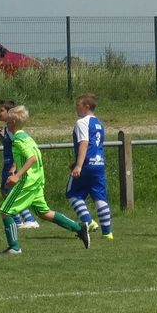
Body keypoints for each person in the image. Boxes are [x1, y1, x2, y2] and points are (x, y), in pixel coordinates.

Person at [0, 104, 91, 254]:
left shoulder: (18, 140)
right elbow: (32, 155)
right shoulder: (26, 137)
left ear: (13, 122)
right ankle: (79, 228)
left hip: (27, 181)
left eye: (7, 120)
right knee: (44, 213)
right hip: (37, 180)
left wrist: (17, 175)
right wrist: (14, 166)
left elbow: (32, 158)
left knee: (5, 210)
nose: (6, 123)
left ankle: (14, 247)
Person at [66, 93, 114, 240]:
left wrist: (78, 165)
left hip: (86, 164)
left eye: (78, 105)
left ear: (86, 106)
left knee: (72, 194)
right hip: (98, 163)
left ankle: (89, 222)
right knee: (100, 197)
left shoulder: (82, 122)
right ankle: (107, 233)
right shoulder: (99, 123)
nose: (76, 107)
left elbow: (84, 143)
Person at [0, 99, 39, 230]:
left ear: (10, 113)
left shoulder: (13, 130)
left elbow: (17, 148)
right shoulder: (7, 129)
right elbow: (8, 145)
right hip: (8, 162)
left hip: (11, 163)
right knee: (5, 191)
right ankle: (18, 220)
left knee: (9, 191)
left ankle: (29, 219)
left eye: (1, 110)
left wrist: (14, 166)